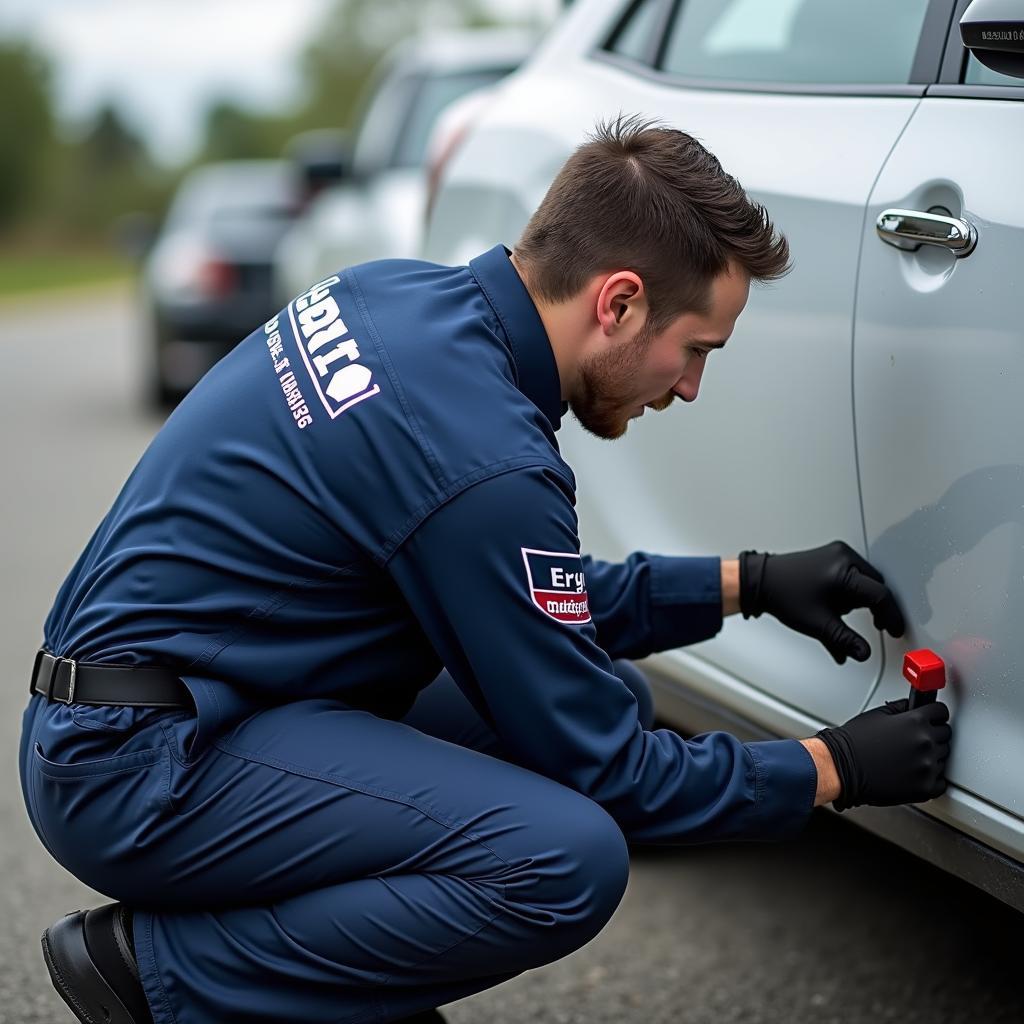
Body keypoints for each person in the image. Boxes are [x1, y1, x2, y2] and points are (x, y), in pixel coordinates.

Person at [21, 116, 951, 1024]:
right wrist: (832, 769)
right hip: (140, 771)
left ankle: (321, 973)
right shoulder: (481, 459)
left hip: (155, 708)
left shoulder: (397, 298)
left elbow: (515, 601)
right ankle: (165, 972)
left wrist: (747, 582)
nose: (690, 386)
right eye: (696, 350)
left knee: (609, 698)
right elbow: (613, 773)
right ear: (618, 303)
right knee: (564, 858)